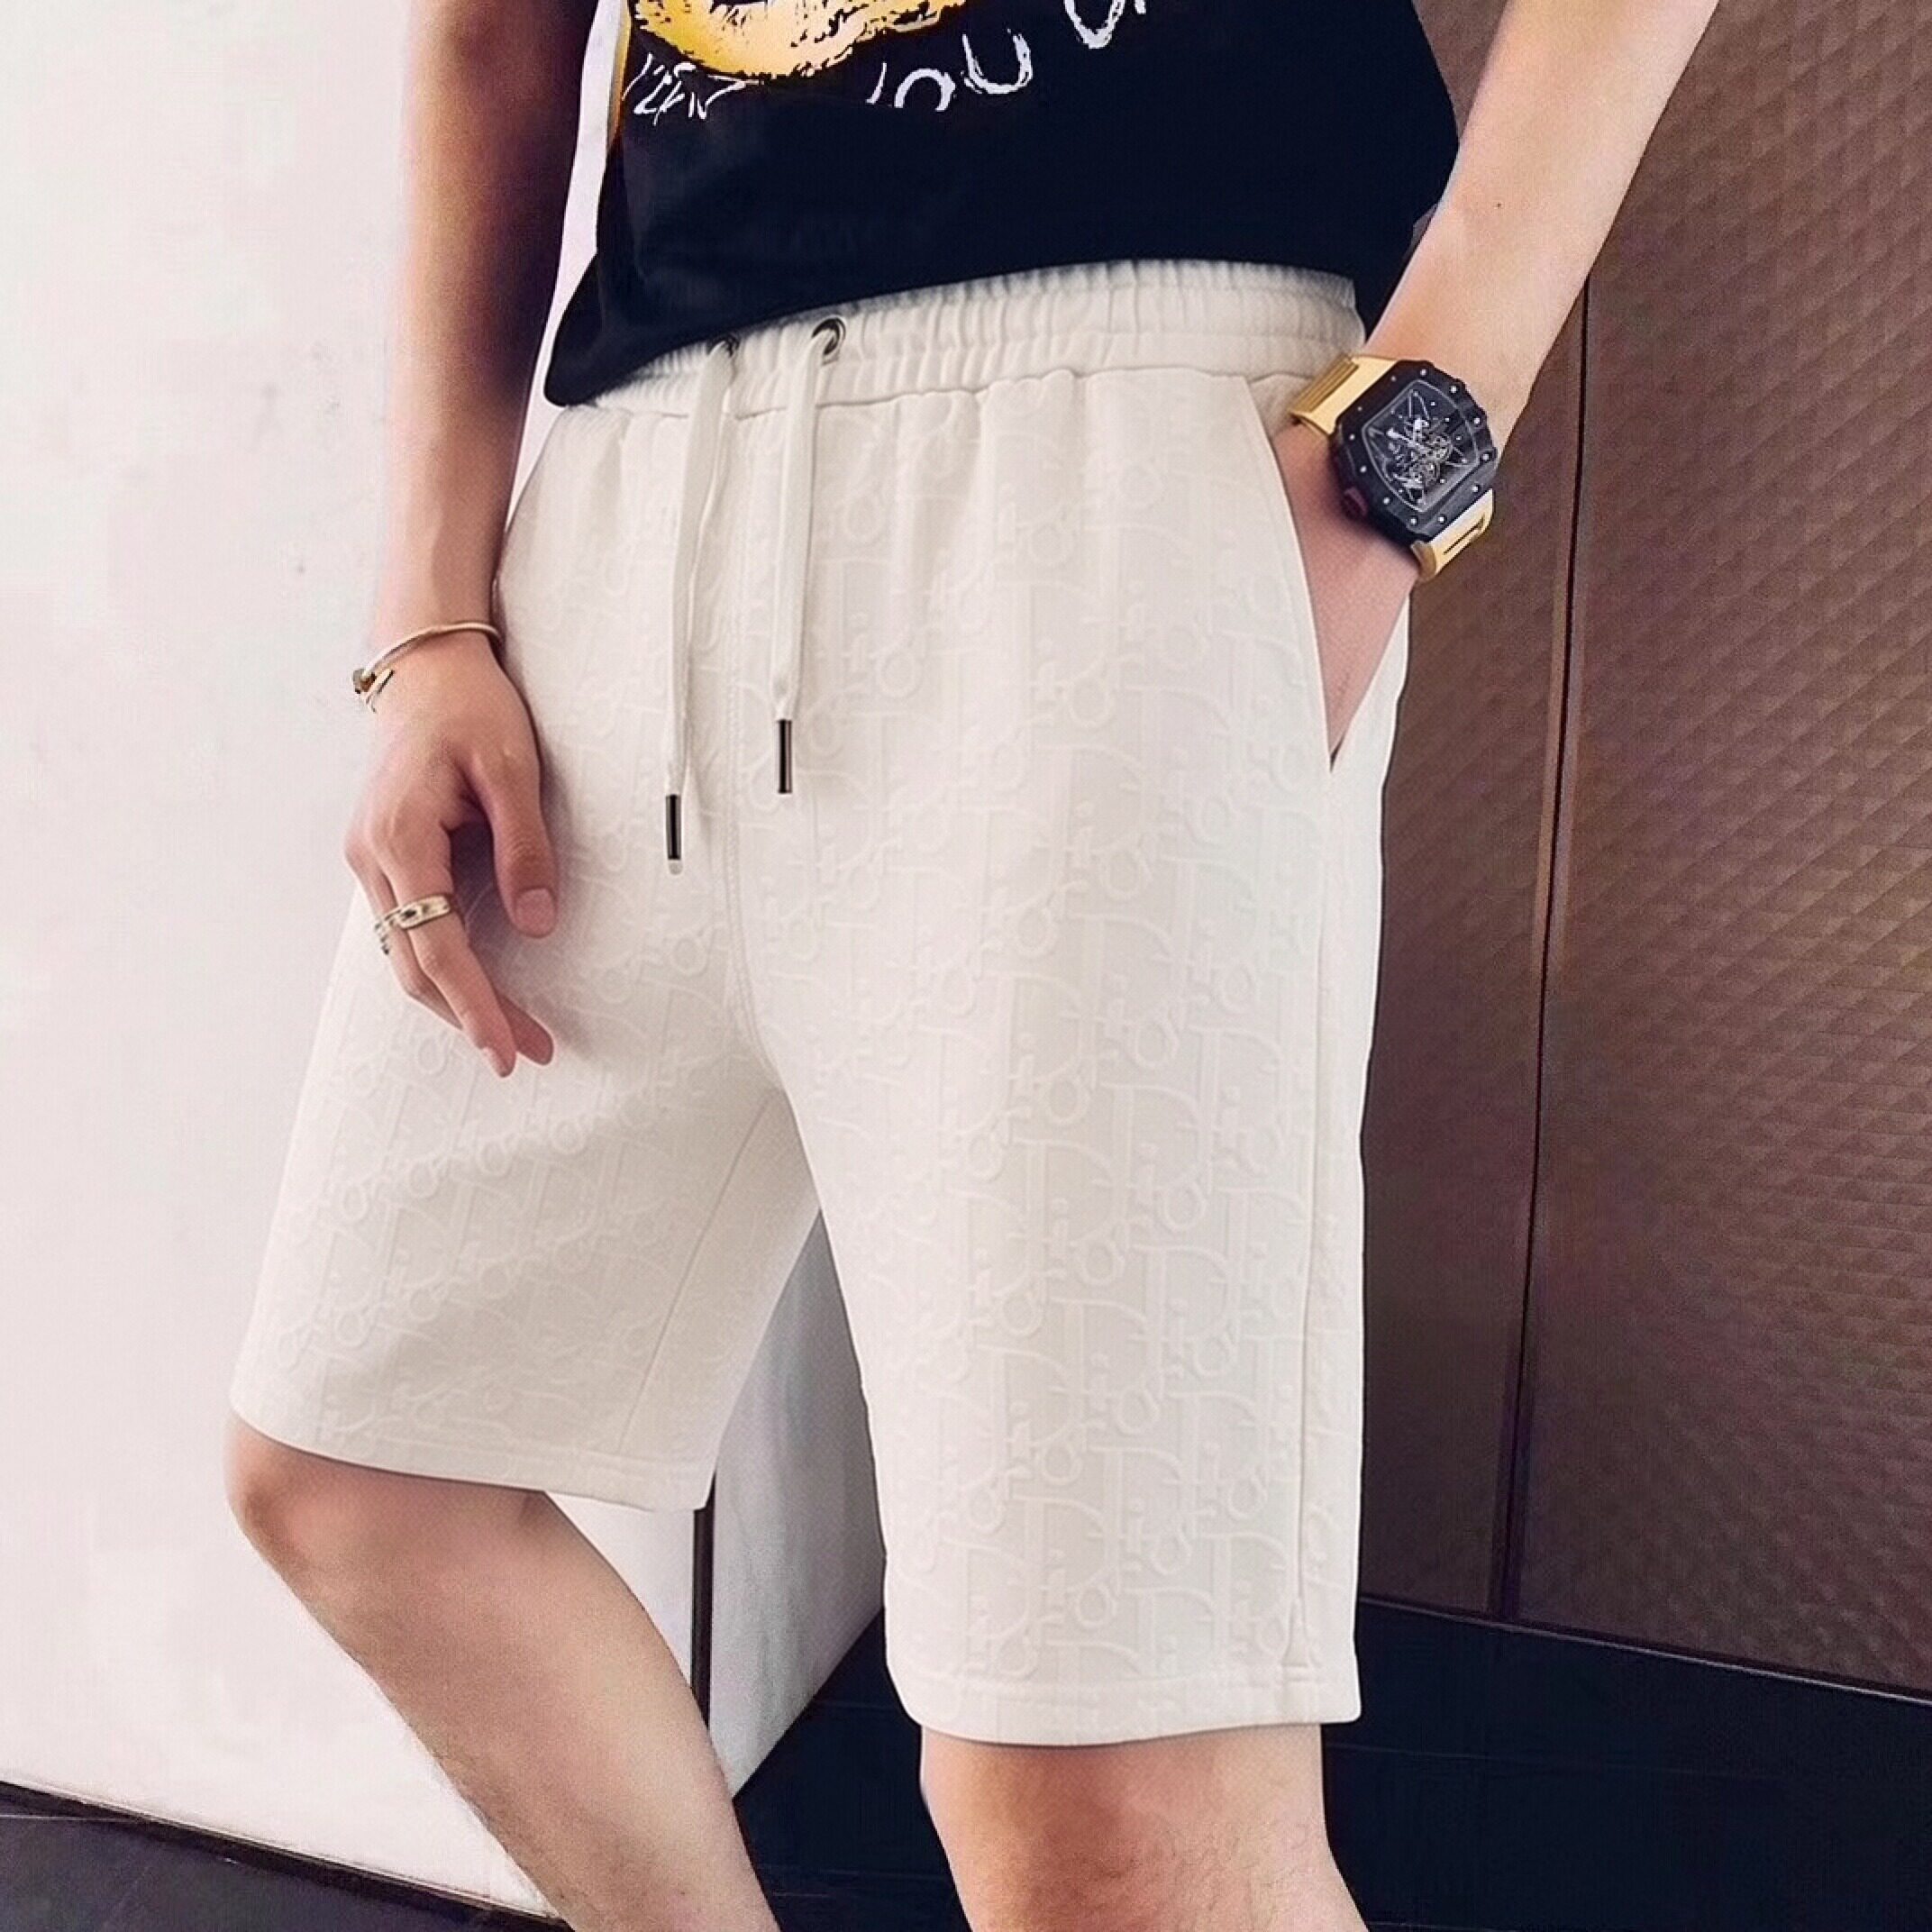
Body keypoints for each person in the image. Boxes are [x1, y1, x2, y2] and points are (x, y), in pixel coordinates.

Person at [222, 1, 1721, 1926]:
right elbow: (492, 35)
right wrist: (429, 617)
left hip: (1121, 432)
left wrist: (1405, 440)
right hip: (624, 488)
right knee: (364, 1475)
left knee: (1101, 1790)